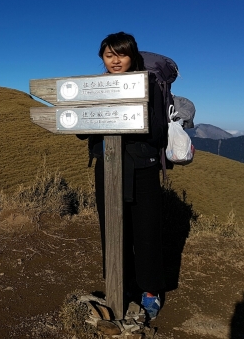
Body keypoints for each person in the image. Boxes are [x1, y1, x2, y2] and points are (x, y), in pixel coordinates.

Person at [77, 32, 168, 320]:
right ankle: (119, 287)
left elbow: (157, 130)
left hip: (143, 168)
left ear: (133, 56)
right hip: (107, 166)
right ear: (102, 57)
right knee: (112, 229)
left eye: (122, 54)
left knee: (146, 232)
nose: (116, 60)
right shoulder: (94, 87)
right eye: (109, 55)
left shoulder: (148, 84)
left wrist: (121, 120)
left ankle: (150, 292)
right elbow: (81, 130)